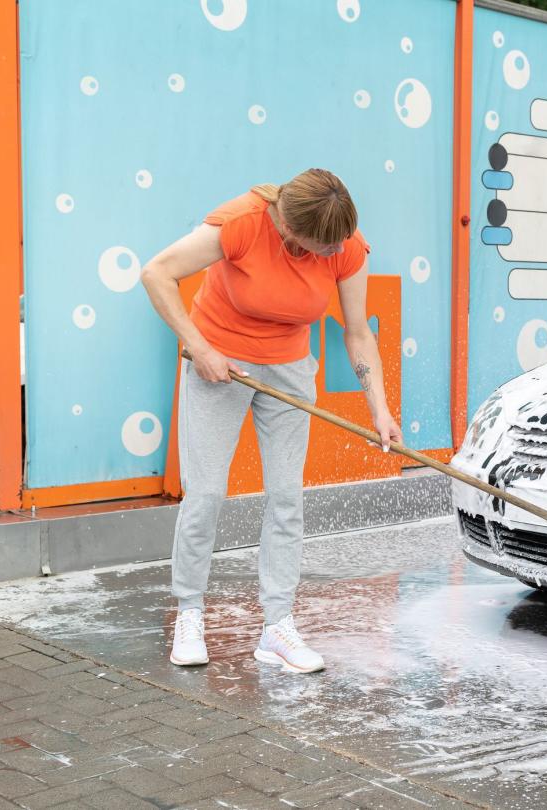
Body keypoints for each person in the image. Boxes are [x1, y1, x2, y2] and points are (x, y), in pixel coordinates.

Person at [141, 168, 402, 673]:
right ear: (289, 229)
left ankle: (276, 627)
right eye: (322, 249)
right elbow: (156, 273)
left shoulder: (346, 245)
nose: (333, 257)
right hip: (219, 364)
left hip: (289, 369)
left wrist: (381, 411)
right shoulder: (241, 223)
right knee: (208, 493)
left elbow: (356, 332)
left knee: (286, 497)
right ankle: (189, 611)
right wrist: (200, 348)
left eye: (336, 248)